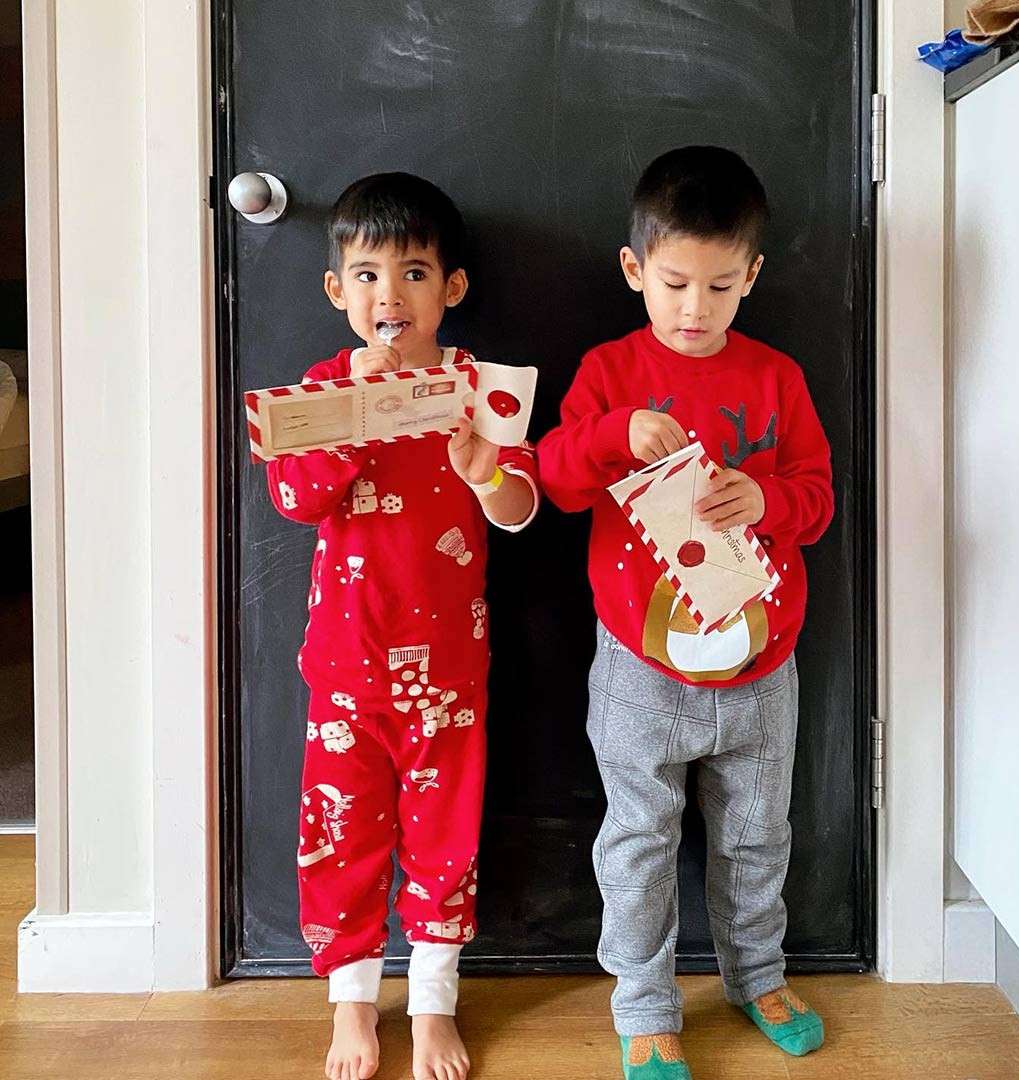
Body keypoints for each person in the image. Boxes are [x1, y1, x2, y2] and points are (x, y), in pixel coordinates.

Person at [539, 146, 833, 1078]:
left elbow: (820, 498)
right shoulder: (609, 372)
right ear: (635, 272)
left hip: (762, 669)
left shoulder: (777, 378)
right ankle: (645, 1004)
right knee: (637, 845)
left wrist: (769, 501)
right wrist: (609, 434)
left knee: (758, 837)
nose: (694, 309)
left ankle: (758, 975)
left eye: (717, 285)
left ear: (751, 275)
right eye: (673, 284)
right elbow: (550, 478)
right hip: (639, 671)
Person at [267, 172, 538, 1080]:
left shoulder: (475, 387)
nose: (393, 295)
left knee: (443, 832)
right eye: (370, 274)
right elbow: (297, 497)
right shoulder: (318, 387)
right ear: (339, 291)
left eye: (415, 272)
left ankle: (431, 1000)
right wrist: (353, 409)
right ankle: (351, 1000)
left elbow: (519, 509)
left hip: (450, 675)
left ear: (450, 289)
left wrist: (483, 469)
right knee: (341, 832)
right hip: (345, 669)